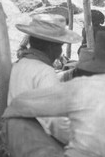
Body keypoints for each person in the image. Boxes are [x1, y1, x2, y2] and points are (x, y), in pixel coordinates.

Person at [8, 14, 82, 145]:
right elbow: (55, 121)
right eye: (60, 47)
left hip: (16, 135)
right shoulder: (44, 72)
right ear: (52, 47)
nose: (59, 52)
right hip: (34, 142)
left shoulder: (20, 64)